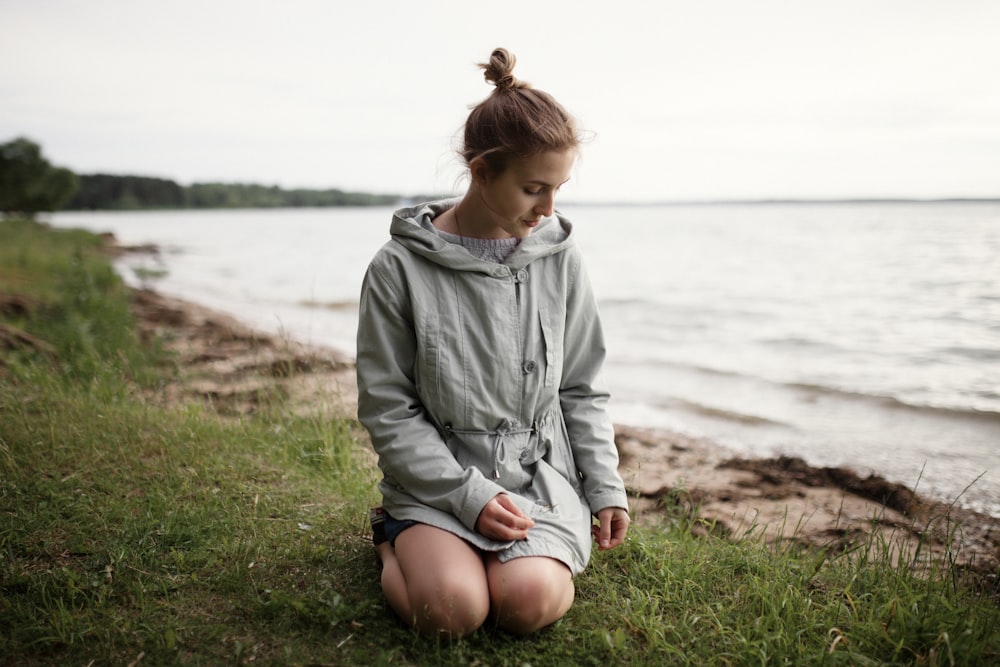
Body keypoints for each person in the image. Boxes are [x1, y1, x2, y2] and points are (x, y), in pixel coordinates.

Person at [356, 47, 630, 638]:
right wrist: (467, 495)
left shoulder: (562, 260)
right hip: (436, 483)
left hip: (539, 478)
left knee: (525, 605)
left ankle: (500, 560)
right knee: (452, 613)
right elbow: (387, 408)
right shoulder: (396, 269)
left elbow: (582, 388)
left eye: (558, 188)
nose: (548, 209)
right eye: (534, 188)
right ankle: (390, 540)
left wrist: (605, 487)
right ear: (481, 171)